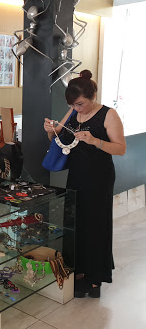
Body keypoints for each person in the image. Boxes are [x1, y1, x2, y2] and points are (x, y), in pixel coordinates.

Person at [43, 70, 126, 298]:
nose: (78, 108)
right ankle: (78, 271)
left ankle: (94, 277)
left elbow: (120, 148)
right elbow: (59, 140)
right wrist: (50, 131)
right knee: (75, 223)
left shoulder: (108, 115)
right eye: (73, 105)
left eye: (80, 104)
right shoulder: (73, 111)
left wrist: (96, 141)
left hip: (99, 177)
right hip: (76, 175)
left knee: (95, 224)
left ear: (93, 95)